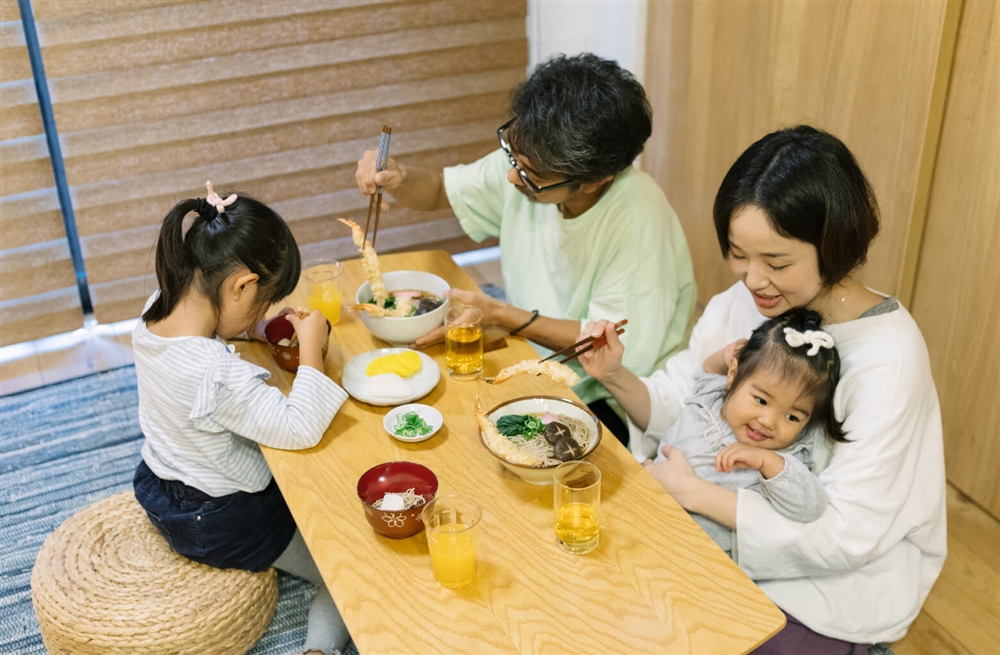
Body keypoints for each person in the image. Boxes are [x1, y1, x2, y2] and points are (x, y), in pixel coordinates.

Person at [579, 126, 947, 652]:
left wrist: (694, 493)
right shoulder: (749, 299)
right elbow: (686, 404)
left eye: (776, 263)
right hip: (702, 526)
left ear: (834, 244)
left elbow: (846, 536)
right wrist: (613, 373)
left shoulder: (888, 358)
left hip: (828, 588)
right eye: (738, 255)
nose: (752, 280)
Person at [354, 53, 695, 445]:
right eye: (512, 157)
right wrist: (398, 177)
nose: (512, 176)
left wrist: (502, 314)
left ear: (595, 180)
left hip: (611, 400)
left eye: (531, 176)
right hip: (529, 355)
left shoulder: (638, 221)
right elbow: (439, 190)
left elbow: (604, 347)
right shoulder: (535, 156)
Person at [131, 183, 350, 655]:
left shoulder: (158, 306)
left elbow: (209, 356)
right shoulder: (213, 373)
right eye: (263, 299)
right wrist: (310, 348)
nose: (265, 310)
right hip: (218, 519)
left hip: (161, 483)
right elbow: (299, 427)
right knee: (346, 570)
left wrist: (248, 326)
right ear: (241, 285)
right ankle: (318, 649)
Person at [637, 307, 846, 557]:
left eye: (792, 416)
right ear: (733, 374)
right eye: (761, 400)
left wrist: (767, 461)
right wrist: (724, 356)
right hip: (642, 510)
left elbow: (811, 505)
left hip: (693, 556)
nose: (768, 421)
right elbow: (706, 370)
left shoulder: (785, 458)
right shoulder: (712, 395)